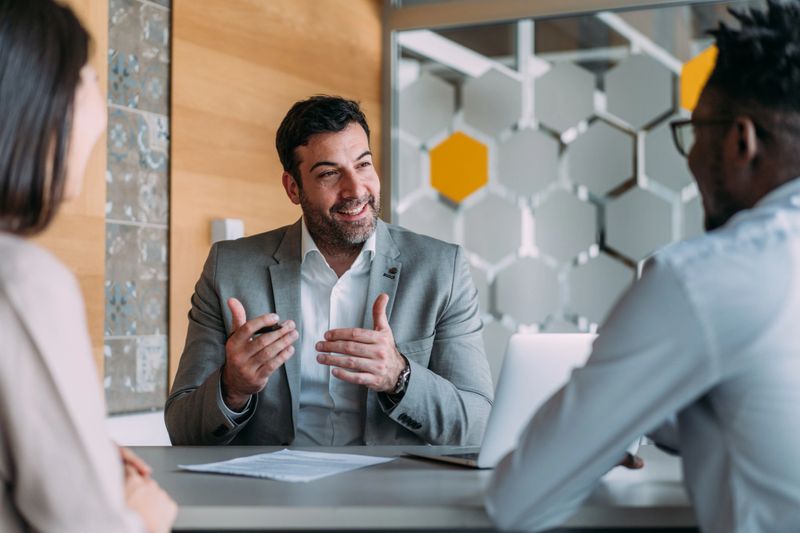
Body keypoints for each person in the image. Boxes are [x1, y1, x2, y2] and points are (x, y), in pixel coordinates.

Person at [486, 2, 800, 531]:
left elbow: (518, 502)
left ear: (740, 141)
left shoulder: (703, 277)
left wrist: (590, 436)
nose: (691, 157)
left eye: (695, 132)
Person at [165, 96, 493, 446]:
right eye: (329, 174)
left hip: (389, 492)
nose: (355, 190)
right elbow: (183, 431)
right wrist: (232, 388)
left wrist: (400, 376)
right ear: (293, 188)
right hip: (273, 493)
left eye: (363, 165)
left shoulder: (441, 269)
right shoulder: (229, 269)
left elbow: (477, 425)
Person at [0, 1, 177, 532]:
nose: (101, 108)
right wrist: (142, 518)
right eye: (89, 78)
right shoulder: (24, 283)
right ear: (37, 100)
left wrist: (87, 458)